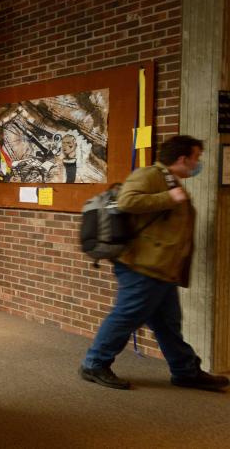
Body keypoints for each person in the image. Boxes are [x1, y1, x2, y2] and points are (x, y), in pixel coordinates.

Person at [80, 135, 229, 391]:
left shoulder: (170, 180)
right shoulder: (150, 175)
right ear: (183, 158)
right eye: (196, 157)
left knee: (168, 325)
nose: (198, 163)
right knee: (126, 317)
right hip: (141, 268)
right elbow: (127, 201)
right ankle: (94, 363)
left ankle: (185, 371)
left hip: (161, 269)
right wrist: (169, 198)